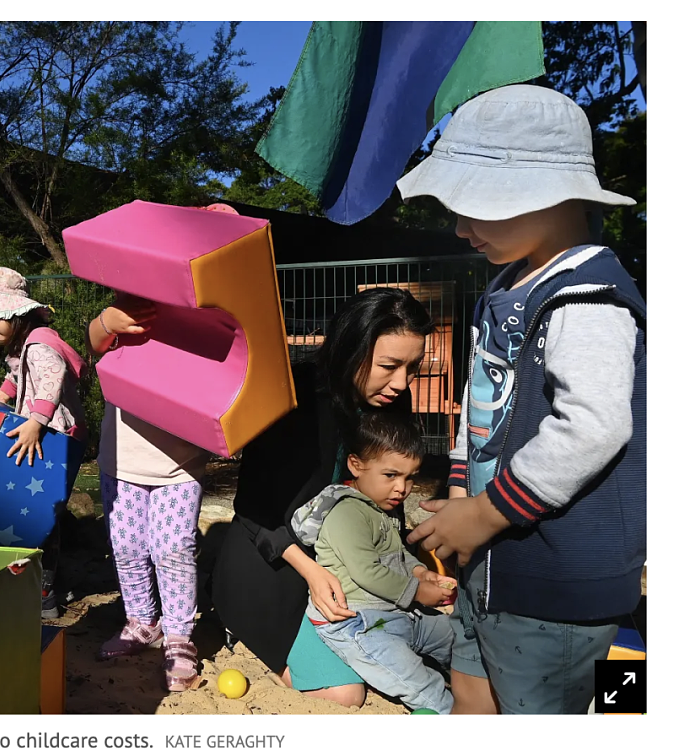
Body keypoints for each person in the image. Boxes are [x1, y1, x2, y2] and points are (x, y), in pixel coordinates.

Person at [398, 84, 646, 715]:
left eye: (473, 206)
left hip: (554, 581)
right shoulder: (504, 287)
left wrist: (483, 514)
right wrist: (460, 492)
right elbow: (477, 407)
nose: (459, 228)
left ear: (546, 194)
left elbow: (593, 426)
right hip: (490, 565)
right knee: (472, 691)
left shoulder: (588, 298)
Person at [212, 286, 434, 708]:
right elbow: (255, 508)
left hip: (344, 559)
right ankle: (246, 630)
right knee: (345, 693)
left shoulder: (391, 405)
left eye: (412, 368)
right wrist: (313, 573)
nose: (401, 383)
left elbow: (388, 502)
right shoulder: (292, 397)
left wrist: (411, 565)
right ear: (352, 348)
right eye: (388, 366)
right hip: (275, 556)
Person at [291, 411, 456, 714]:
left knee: (454, 638)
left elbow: (398, 553)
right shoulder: (346, 512)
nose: (401, 488)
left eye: (410, 477)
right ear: (356, 465)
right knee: (416, 680)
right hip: (358, 624)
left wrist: (421, 572)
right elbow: (367, 572)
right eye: (391, 475)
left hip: (398, 612)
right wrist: (418, 591)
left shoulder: (381, 506)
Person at [87, 293, 212, 692]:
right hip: (122, 461)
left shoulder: (196, 319)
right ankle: (142, 621)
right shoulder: (128, 308)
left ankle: (177, 634)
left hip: (178, 464)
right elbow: (94, 343)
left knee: (173, 547)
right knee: (125, 545)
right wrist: (106, 322)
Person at [0, 266, 88, 619]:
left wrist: (35, 422)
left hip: (49, 436)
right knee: (37, 508)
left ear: (11, 311)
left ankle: (43, 593)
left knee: (41, 514)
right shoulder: (24, 345)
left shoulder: (39, 343)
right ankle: (33, 582)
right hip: (41, 434)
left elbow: (51, 380)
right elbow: (17, 377)